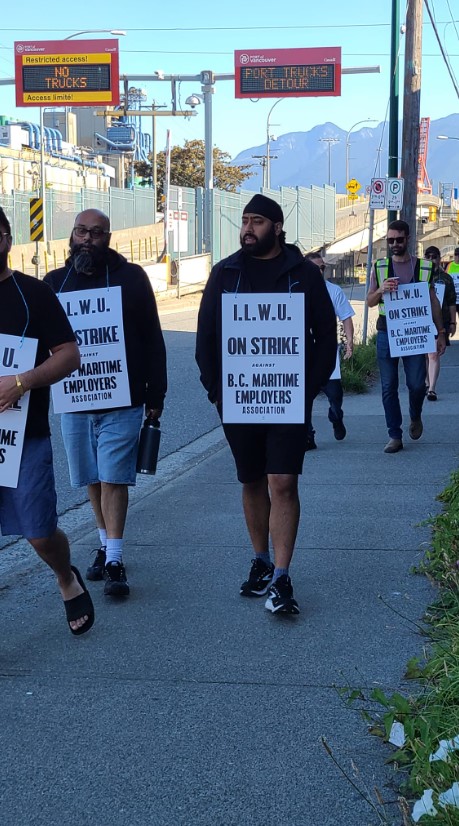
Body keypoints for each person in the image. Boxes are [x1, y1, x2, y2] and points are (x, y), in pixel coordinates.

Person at [196, 194, 336, 615]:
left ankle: (281, 574)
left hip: (287, 399)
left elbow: (325, 338)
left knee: (283, 481)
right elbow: (206, 338)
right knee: (252, 479)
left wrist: (307, 389)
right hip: (238, 399)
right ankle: (260, 560)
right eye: (244, 221)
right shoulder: (226, 273)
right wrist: (216, 390)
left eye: (257, 221)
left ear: (276, 227)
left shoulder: (303, 276)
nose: (248, 228)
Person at [45, 209, 167, 598]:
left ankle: (115, 558)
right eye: (81, 231)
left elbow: (152, 337)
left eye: (96, 233)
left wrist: (155, 395)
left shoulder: (132, 279)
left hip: (124, 398)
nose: (87, 239)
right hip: (74, 399)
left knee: (114, 475)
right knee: (93, 478)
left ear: (108, 238)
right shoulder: (53, 283)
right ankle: (103, 544)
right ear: (72, 235)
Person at [0, 206, 94, 635]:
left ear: (6, 239)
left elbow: (70, 355)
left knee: (39, 534)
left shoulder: (33, 294)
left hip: (23, 437)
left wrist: (21, 382)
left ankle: (64, 575)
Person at [367, 220, 446, 454]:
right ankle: (394, 435)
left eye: (398, 240)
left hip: (415, 334)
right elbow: (370, 301)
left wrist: (440, 332)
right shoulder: (380, 267)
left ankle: (415, 414)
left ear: (408, 239)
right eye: (390, 240)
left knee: (415, 385)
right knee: (389, 386)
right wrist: (381, 290)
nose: (394, 244)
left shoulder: (424, 267)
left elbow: (433, 301)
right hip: (386, 332)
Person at [305, 252, 354, 443]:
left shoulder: (333, 291)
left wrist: (349, 343)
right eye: (315, 267)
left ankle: (336, 417)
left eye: (322, 267)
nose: (319, 271)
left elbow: (346, 317)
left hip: (327, 355)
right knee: (305, 399)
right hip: (305, 355)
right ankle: (308, 436)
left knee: (335, 397)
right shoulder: (297, 290)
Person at [424, 245, 456, 401]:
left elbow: (451, 303)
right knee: (424, 355)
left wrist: (453, 322)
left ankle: (432, 388)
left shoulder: (446, 279)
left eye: (434, 257)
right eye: (428, 257)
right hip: (421, 321)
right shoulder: (419, 277)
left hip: (439, 322)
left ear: (439, 258)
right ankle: (426, 381)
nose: (431, 260)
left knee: (434, 354)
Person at [446, 246, 459, 320]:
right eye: (456, 254)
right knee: (451, 320)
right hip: (453, 298)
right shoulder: (449, 265)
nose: (457, 256)